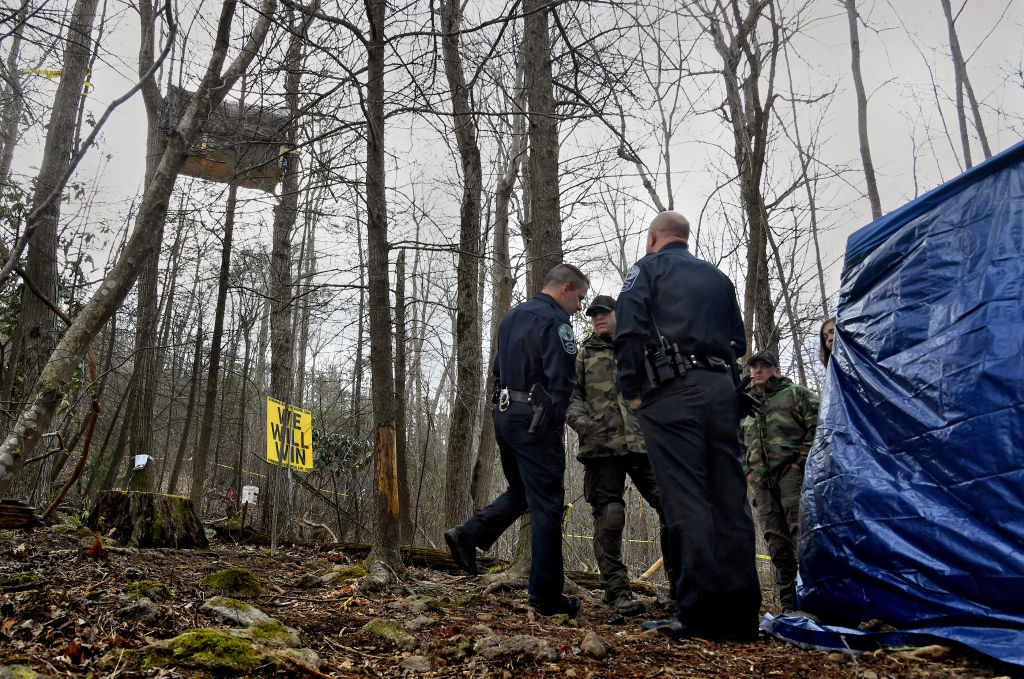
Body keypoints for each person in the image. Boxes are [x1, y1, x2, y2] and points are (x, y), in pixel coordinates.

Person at [613, 210, 761, 640]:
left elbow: (629, 332)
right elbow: (739, 341)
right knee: (730, 498)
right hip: (721, 390)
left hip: (673, 393)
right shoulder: (718, 277)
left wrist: (633, 392)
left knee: (687, 498)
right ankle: (741, 615)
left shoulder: (645, 270)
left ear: (653, 237)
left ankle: (699, 612)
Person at [445, 263, 589, 618]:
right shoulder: (557, 323)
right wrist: (567, 422)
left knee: (523, 491)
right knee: (547, 506)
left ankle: (468, 534)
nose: (579, 307)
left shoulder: (512, 316)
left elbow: (497, 368)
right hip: (535, 420)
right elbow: (562, 380)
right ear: (565, 288)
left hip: (504, 413)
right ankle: (545, 596)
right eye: (580, 299)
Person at [566, 294, 676, 617]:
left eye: (604, 313)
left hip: (644, 448)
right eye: (593, 314)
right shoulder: (583, 354)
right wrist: (587, 427)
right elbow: (570, 398)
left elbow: (661, 391)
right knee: (610, 517)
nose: (598, 318)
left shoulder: (637, 349)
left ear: (618, 315)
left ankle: (680, 591)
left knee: (674, 506)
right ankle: (617, 593)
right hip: (602, 451)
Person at [740, 350, 820, 613]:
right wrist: (748, 473)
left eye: (764, 366)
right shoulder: (746, 404)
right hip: (762, 484)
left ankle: (813, 602)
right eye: (754, 367)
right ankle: (787, 606)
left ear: (776, 369)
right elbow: (736, 442)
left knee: (802, 536)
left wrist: (800, 461)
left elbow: (819, 425)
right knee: (776, 544)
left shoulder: (796, 395)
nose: (758, 371)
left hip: (791, 476)